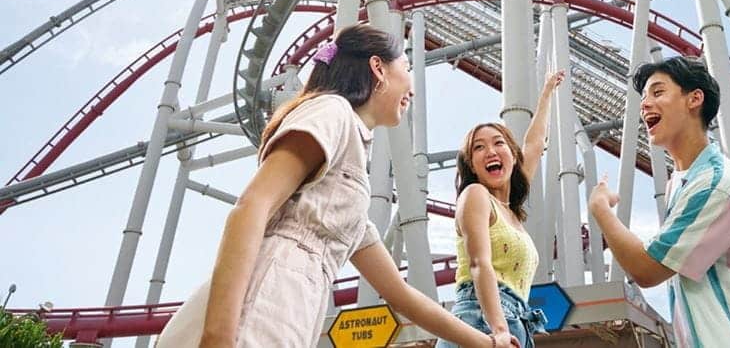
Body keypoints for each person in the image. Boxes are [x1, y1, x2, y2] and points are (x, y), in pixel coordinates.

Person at [157, 24, 497, 348]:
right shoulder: (332, 111)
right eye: (406, 67)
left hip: (291, 308)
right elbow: (250, 208)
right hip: (264, 300)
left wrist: (485, 341)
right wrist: (218, 338)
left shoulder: (347, 195)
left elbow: (401, 295)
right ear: (378, 68)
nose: (412, 87)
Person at [588, 56, 730, 348]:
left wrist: (599, 208)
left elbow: (647, 268)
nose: (645, 104)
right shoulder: (682, 182)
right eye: (644, 97)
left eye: (658, 92)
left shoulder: (716, 185)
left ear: (694, 99)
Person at [437, 71, 565, 348]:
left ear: (513, 155)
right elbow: (479, 263)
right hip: (481, 319)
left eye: (498, 143)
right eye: (479, 147)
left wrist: (546, 94)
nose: (491, 151)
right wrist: (499, 329)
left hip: (515, 321)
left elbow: (534, 145)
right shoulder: (476, 195)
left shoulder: (510, 210)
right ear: (472, 165)